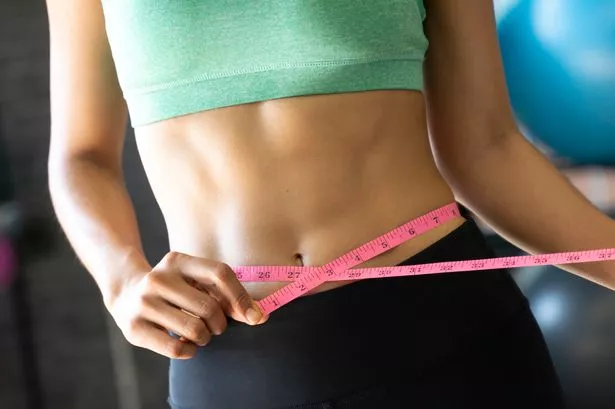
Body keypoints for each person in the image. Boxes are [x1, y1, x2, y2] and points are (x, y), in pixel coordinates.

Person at [45, 1, 615, 408]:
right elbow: (81, 156)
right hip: (236, 364)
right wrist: (120, 280)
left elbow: (487, 149)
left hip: (445, 334)